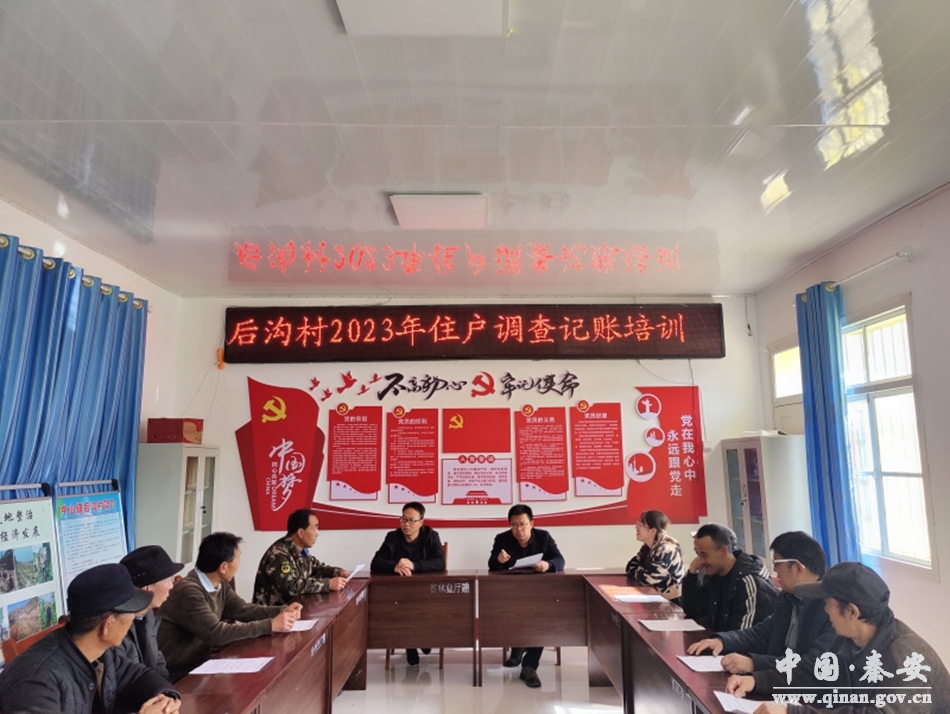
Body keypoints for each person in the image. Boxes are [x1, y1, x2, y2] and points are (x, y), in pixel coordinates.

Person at [752, 562, 950, 714]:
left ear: (852, 612)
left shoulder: (906, 661)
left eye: (827, 602)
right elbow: (816, 676)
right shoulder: (848, 639)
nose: (824, 609)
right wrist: (756, 680)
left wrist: (793, 712)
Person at [0, 563, 180, 714]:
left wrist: (164, 699)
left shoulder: (100, 653)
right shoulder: (35, 679)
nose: (133, 618)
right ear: (108, 624)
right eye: (131, 613)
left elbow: (139, 676)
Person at [687, 531, 835, 694]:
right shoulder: (788, 597)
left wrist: (754, 664)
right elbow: (762, 634)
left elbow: (813, 667)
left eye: (777, 563)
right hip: (778, 684)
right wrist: (722, 641)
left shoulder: (832, 608)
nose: (774, 570)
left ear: (798, 568)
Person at [157, 531, 302, 681]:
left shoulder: (219, 584)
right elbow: (216, 633)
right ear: (223, 567)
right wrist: (269, 626)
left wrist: (282, 610)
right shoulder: (189, 591)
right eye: (239, 556)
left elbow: (242, 610)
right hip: (177, 674)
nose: (240, 562)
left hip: (201, 665)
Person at [488, 503, 566, 689]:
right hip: (511, 594)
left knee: (540, 617)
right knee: (508, 612)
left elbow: (559, 560)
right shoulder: (502, 539)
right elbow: (491, 565)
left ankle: (529, 666)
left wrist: (547, 565)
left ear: (531, 523)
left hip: (539, 594)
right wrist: (498, 560)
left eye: (522, 524)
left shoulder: (543, 537)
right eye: (514, 525)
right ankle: (517, 646)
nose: (518, 529)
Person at [370, 502, 444, 666]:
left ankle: (423, 638)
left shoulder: (431, 536)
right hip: (400, 592)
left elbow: (440, 562)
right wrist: (394, 566)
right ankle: (410, 645)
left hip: (426, 590)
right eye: (403, 519)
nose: (406, 524)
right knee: (404, 607)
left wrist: (414, 565)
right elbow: (376, 562)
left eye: (411, 520)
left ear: (421, 522)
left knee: (425, 607)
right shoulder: (393, 537)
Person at [682, 523, 776, 631]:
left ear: (723, 551)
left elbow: (746, 635)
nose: (700, 561)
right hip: (720, 639)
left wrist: (718, 639)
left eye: (704, 554)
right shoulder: (714, 574)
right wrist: (691, 573)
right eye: (697, 553)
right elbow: (693, 610)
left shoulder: (749, 581)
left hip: (732, 641)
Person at [252, 508, 350, 606]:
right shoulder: (278, 554)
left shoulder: (301, 552)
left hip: (292, 610)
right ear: (301, 533)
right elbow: (291, 587)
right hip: (273, 613)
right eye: (314, 529)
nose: (317, 534)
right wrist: (327, 584)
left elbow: (317, 568)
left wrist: (338, 572)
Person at [118, 545, 184, 678]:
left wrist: (166, 687)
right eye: (167, 579)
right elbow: (125, 679)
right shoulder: (117, 627)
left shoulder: (148, 614)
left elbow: (157, 660)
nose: (171, 585)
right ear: (147, 588)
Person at [625, 509, 685, 601]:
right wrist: (641, 572)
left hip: (672, 602)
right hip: (655, 598)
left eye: (641, 524)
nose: (636, 527)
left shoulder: (666, 550)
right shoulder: (647, 548)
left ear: (653, 531)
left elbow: (647, 580)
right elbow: (630, 566)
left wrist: (640, 571)